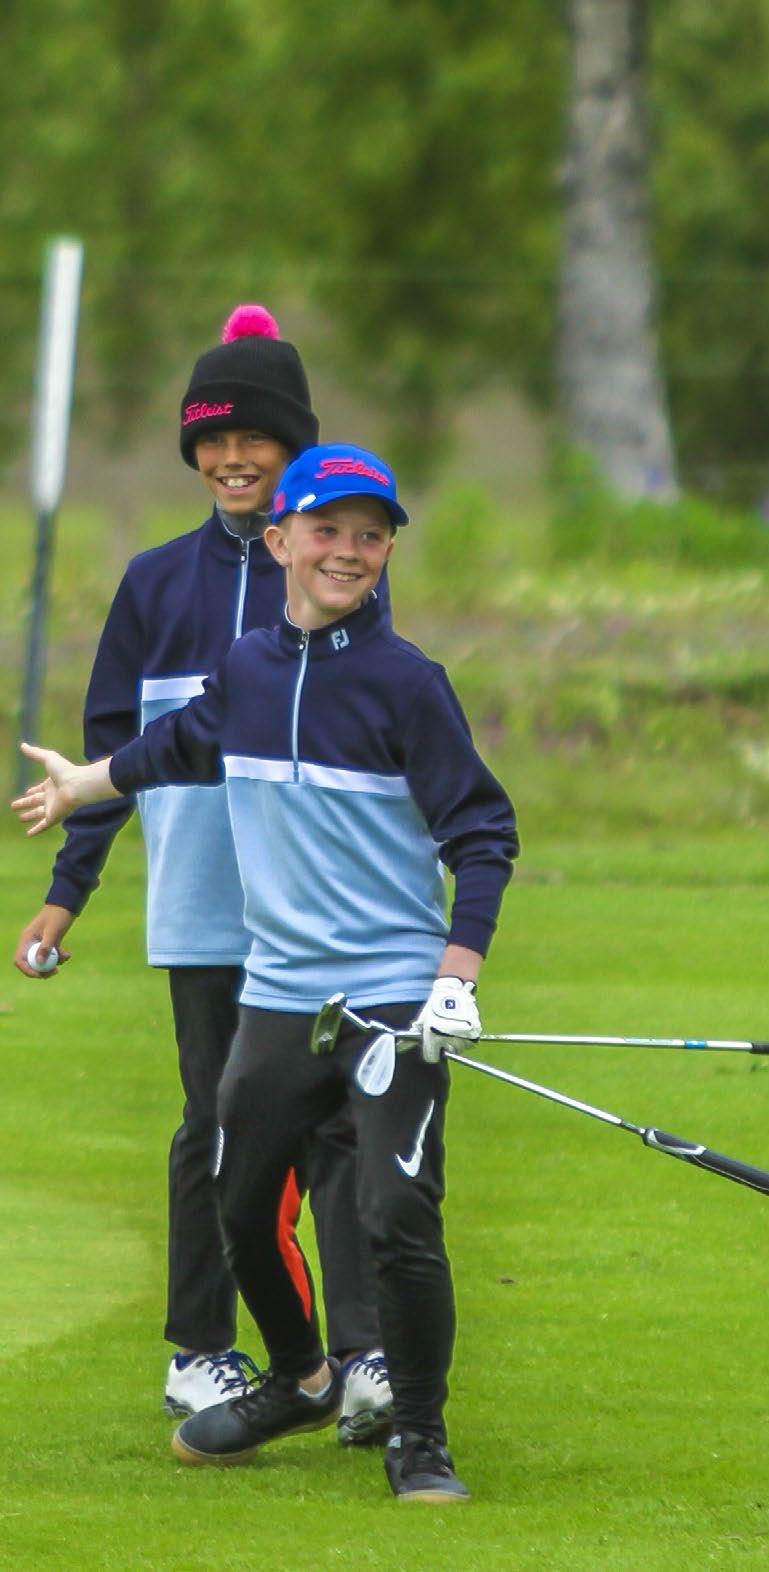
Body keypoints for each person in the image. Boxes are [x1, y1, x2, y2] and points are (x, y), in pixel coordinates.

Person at [15, 442, 520, 1502]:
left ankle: (419, 1436)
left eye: (370, 535)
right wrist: (83, 786)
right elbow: (181, 744)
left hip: (390, 995)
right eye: (327, 530)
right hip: (279, 995)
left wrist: (455, 977)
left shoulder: (409, 684)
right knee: (240, 1206)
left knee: (395, 1214)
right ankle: (302, 1379)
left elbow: (482, 834)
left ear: (387, 552)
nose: (349, 551)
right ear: (282, 540)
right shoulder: (248, 669)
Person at [11, 307, 392, 1441]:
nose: (232, 457)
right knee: (215, 1126)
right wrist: (69, 890)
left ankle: (361, 1358)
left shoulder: (329, 567)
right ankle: (201, 1353)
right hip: (200, 910)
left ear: (293, 448)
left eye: (254, 438)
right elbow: (113, 749)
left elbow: (373, 733)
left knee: (337, 1128)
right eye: (211, 439)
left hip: (315, 910)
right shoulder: (153, 583)